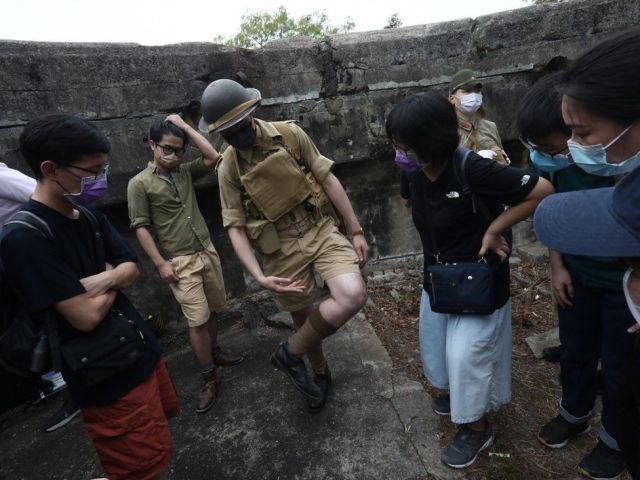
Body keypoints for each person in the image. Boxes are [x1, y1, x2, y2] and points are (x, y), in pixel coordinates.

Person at [0, 114, 179, 480]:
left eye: (103, 168)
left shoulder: (88, 215)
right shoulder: (24, 239)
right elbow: (86, 317)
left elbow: (131, 267)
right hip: (106, 375)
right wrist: (115, 277)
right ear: (51, 169)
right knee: (138, 465)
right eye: (91, 171)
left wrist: (95, 281)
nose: (101, 179)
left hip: (138, 349)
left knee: (156, 443)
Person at [386, 91, 553, 469]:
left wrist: (495, 228)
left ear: (430, 141)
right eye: (396, 144)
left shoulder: (472, 168)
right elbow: (410, 202)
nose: (399, 152)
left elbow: (541, 192)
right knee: (439, 352)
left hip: (478, 279)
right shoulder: (412, 171)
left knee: (467, 356)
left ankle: (476, 426)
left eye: (404, 144)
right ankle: (460, 397)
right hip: (439, 277)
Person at [199, 78, 368, 413]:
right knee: (304, 315)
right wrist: (258, 277)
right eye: (227, 131)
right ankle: (318, 370)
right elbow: (234, 226)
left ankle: (289, 354)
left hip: (319, 227)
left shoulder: (290, 134)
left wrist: (356, 229)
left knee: (352, 294)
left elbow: (327, 178)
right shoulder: (228, 167)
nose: (236, 135)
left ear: (252, 111)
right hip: (279, 247)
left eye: (240, 124)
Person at [534, 27, 640, 480]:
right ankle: (575, 412)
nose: (575, 148)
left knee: (620, 371)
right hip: (583, 278)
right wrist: (559, 263)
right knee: (578, 351)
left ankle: (615, 439)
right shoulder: (619, 164)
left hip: (617, 292)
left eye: (580, 132)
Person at [127, 115, 244, 415]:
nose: (173, 155)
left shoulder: (183, 172)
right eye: (167, 149)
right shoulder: (139, 184)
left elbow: (213, 156)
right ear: (152, 145)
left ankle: (214, 353)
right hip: (179, 261)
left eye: (179, 150)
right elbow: (141, 227)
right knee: (197, 320)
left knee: (214, 309)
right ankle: (208, 377)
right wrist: (161, 264)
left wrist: (188, 127)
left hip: (206, 250)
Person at [447, 69, 509, 165]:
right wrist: (474, 161)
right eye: (467, 91)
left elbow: (503, 161)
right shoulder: (445, 129)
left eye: (477, 91)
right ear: (452, 98)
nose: (474, 95)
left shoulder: (490, 127)